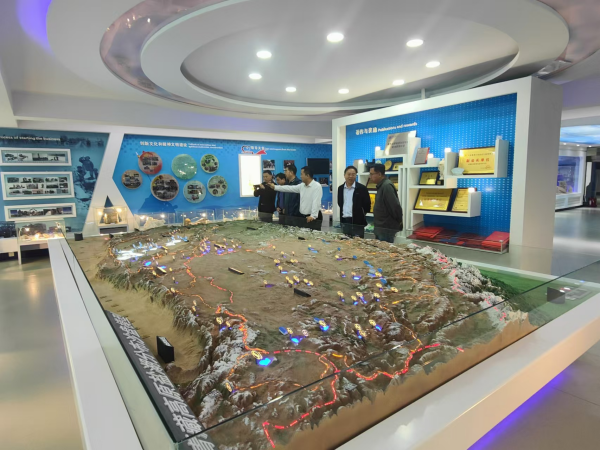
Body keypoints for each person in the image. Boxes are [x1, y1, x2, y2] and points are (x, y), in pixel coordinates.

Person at [269, 166, 323, 230]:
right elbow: (289, 188)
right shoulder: (302, 186)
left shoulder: (316, 186)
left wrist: (313, 216)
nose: (300, 176)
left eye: (301, 174)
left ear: (307, 175)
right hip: (303, 217)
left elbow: (316, 202)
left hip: (312, 217)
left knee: (313, 235)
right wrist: (275, 187)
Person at [370, 163, 403, 243]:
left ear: (379, 174)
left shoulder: (386, 186)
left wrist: (397, 222)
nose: (370, 177)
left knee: (384, 249)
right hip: (381, 227)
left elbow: (395, 207)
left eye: (371, 174)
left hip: (386, 228)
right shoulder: (381, 185)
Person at [337, 165, 371, 238]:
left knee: (358, 242)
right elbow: (340, 203)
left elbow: (367, 205)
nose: (351, 176)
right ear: (344, 175)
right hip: (344, 221)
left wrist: (359, 214)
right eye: (349, 174)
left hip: (357, 222)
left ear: (356, 175)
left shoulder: (362, 188)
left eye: (353, 174)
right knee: (345, 241)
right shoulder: (340, 188)